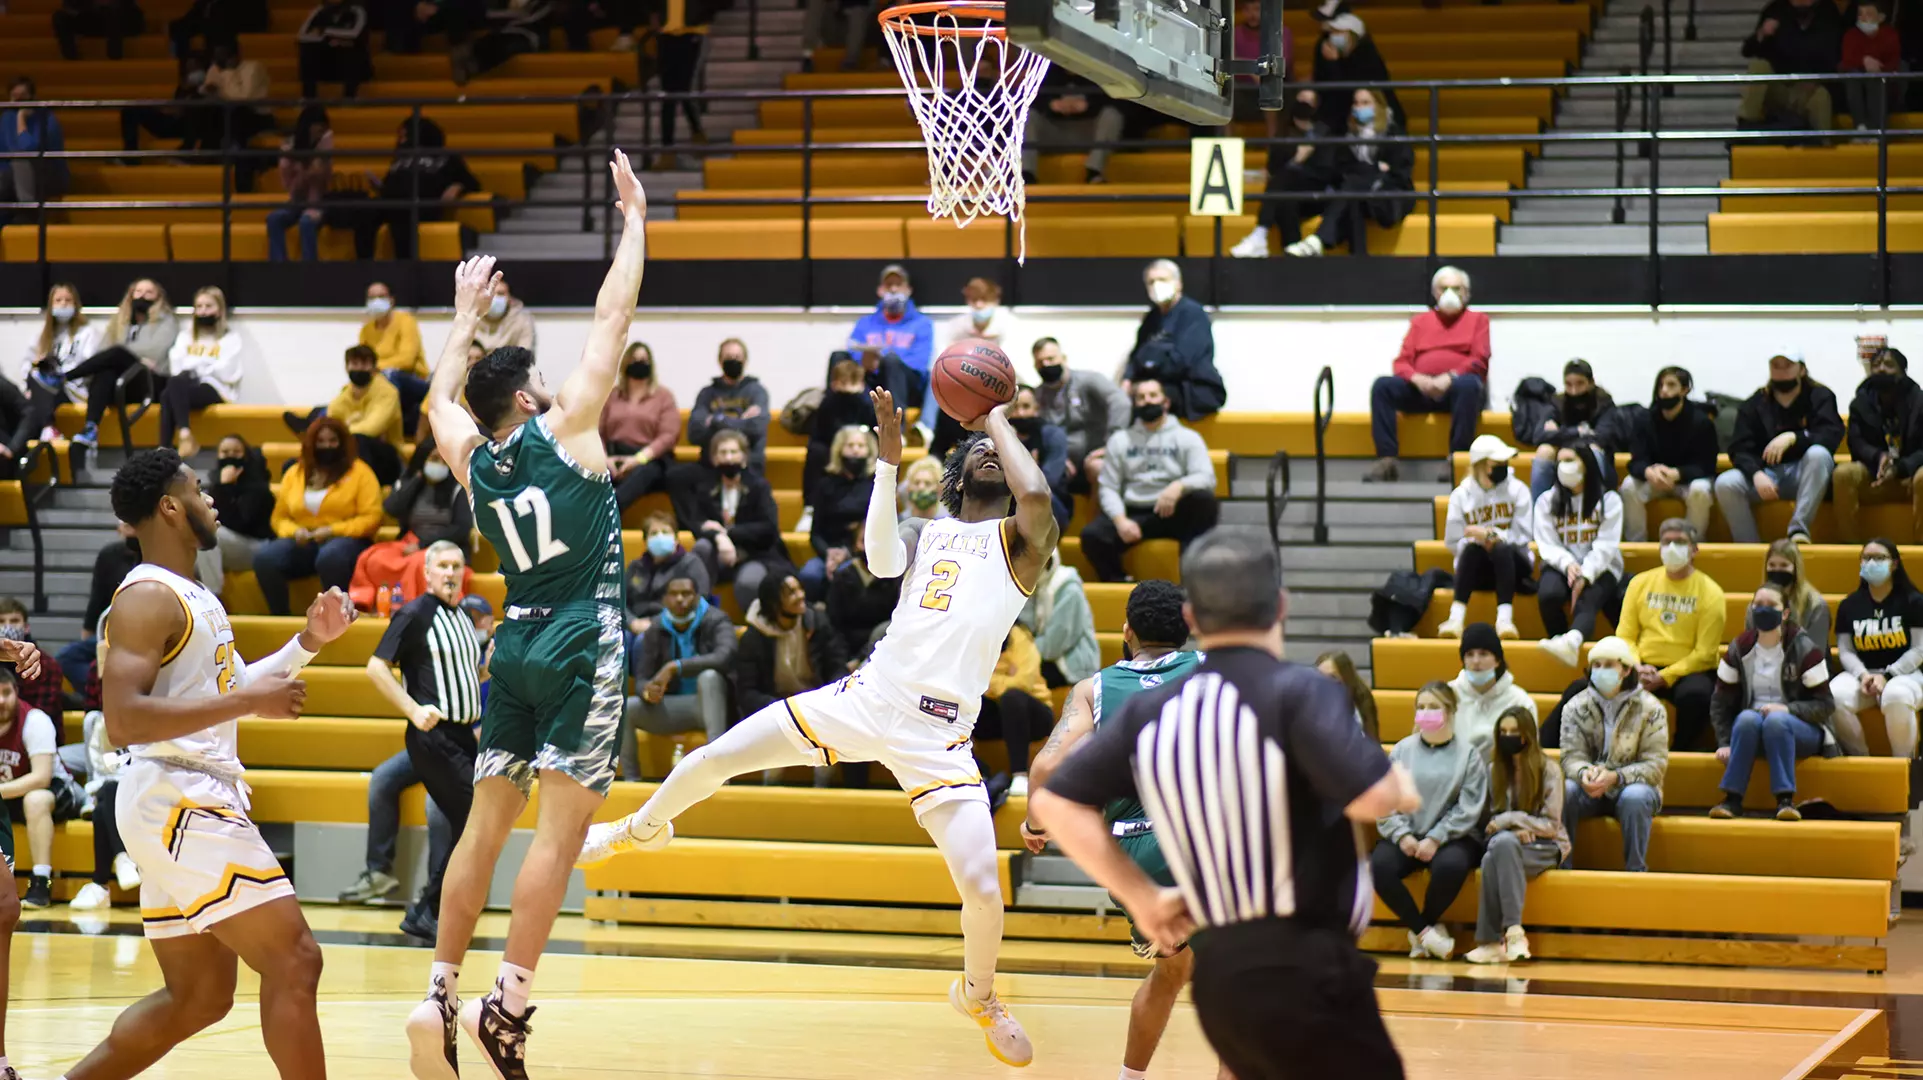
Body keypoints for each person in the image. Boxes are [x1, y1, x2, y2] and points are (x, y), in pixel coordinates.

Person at [581, 386, 1061, 1070]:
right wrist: (889, 467)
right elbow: (881, 557)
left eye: (1000, 453)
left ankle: (977, 996)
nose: (991, 454)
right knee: (719, 756)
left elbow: (1037, 497)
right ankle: (641, 829)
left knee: (984, 890)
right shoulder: (932, 534)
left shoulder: (1021, 545)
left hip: (939, 739)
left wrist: (993, 419)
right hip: (867, 698)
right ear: (955, 478)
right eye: (977, 449)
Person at [404, 157, 647, 1076]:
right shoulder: (569, 429)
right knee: (560, 832)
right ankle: (505, 1006)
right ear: (525, 399)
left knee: (483, 827)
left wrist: (464, 313)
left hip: (513, 641)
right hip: (582, 633)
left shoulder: (475, 461)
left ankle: (437, 989)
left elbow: (436, 400)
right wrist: (634, 223)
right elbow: (612, 318)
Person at [1029, 528, 1417, 1079]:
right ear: (1277, 609)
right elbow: (1373, 795)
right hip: (1274, 917)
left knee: (1183, 980)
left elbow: (1050, 783)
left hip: (1161, 885)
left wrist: (1136, 893)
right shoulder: (1276, 688)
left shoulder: (1123, 697)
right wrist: (1397, 782)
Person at [62, 447, 349, 1080]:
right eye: (198, 487)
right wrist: (250, 700)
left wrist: (308, 644)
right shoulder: (145, 598)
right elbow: (125, 720)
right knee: (297, 960)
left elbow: (226, 687)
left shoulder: (190, 594)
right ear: (169, 506)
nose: (211, 496)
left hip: (174, 797)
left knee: (200, 997)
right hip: (181, 796)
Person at [1019, 579, 1233, 1080]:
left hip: (1130, 853)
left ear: (1128, 631)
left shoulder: (1093, 688)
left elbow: (1046, 770)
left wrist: (1034, 823)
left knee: (1174, 968)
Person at [365, 541, 484, 941]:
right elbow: (376, 667)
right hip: (434, 736)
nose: (450, 573)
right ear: (428, 573)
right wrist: (413, 710)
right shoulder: (414, 614)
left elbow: (467, 677)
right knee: (474, 820)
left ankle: (433, 908)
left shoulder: (464, 618)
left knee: (465, 824)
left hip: (464, 735)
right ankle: (429, 908)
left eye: (457, 566)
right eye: (443, 566)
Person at [1371, 680, 1487, 961]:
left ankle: (1421, 927)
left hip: (1452, 837)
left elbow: (1469, 806)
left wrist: (1436, 837)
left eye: (1433, 707)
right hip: (1407, 834)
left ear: (1450, 711)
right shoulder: (1401, 751)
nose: (1426, 712)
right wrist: (1403, 836)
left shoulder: (1468, 755)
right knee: (1379, 866)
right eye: (1421, 707)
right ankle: (1425, 932)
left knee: (1451, 866)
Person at [1708, 582, 1836, 822]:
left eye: (1771, 605)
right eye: (1758, 605)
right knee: (1746, 718)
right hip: (1753, 729)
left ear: (1785, 613)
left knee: (1777, 721)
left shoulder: (1805, 649)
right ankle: (1732, 800)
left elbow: (1826, 705)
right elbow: (1720, 702)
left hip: (1802, 730)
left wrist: (1788, 709)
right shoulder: (1738, 648)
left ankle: (1785, 800)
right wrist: (1725, 741)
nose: (1764, 610)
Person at [1081, 380, 1219, 583]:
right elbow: (1108, 487)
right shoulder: (1120, 440)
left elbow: (1206, 477)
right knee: (1092, 536)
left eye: (1153, 395)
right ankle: (1119, 582)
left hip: (1171, 510)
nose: (1148, 401)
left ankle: (1192, 581)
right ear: (1135, 404)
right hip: (1134, 513)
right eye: (1141, 397)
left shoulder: (1187, 437)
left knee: (1204, 501)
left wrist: (1178, 486)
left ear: (1166, 402)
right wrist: (1120, 520)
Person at [1366, 266, 1489, 482]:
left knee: (1468, 384)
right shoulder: (1420, 322)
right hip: (1421, 390)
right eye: (1444, 288)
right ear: (1435, 293)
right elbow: (1402, 361)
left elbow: (1480, 359)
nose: (1450, 294)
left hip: (1456, 391)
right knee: (1382, 386)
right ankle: (1387, 460)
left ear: (1466, 294)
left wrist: (1449, 377)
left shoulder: (1478, 320)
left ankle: (1456, 459)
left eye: (1456, 289)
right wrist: (1417, 378)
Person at [1614, 518, 1728, 751]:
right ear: (1659, 547)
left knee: (1697, 696)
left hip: (1688, 670)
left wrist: (1666, 676)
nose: (1673, 547)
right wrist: (1636, 666)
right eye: (1667, 542)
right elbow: (1625, 636)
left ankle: (1679, 752)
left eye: (1680, 542)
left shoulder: (1711, 592)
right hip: (1642, 665)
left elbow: (1705, 653)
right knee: (1586, 686)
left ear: (1694, 549)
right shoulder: (1640, 583)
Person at [1559, 635, 1669, 873]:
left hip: (1632, 786)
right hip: (1591, 787)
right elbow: (1570, 757)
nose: (1601, 671)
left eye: (1609, 665)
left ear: (1626, 669)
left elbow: (1655, 765)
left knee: (1635, 797)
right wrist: (1585, 773)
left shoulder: (1652, 708)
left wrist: (1615, 777)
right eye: (1596, 666)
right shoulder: (1574, 706)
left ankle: (1635, 871)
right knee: (1565, 790)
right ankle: (1561, 867)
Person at [1466, 705, 1566, 965]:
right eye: (1503, 731)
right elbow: (1488, 825)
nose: (1508, 736)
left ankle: (1496, 939)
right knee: (1498, 849)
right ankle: (1511, 935)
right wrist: (1511, 829)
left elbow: (1552, 826)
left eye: (1514, 731)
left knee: (1497, 852)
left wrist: (1511, 820)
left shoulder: (1549, 770)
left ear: (1528, 735)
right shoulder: (1493, 770)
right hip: (1505, 845)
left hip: (1546, 846)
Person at [254, 417, 383, 616]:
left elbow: (372, 517)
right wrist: (294, 531)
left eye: (332, 440)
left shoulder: (361, 472)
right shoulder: (295, 473)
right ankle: (281, 615)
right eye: (321, 441)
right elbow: (279, 518)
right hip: (305, 541)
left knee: (330, 556)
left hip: (348, 541)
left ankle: (338, 616)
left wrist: (333, 530)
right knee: (265, 558)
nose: (326, 446)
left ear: (342, 443)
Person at [1715, 350, 1843, 545]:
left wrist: (1794, 437)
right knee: (1726, 483)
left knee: (1819, 454)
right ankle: (1749, 544)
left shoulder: (1820, 396)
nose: (1781, 372)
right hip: (1767, 476)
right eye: (1776, 366)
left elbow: (1831, 435)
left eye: (1787, 366)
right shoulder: (1755, 403)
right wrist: (1756, 473)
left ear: (1802, 369)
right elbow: (1739, 448)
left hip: (1807, 476)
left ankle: (1798, 530)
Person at [1280, 88, 1412, 259]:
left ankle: (1319, 240)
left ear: (1378, 105)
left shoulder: (1394, 133)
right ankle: (1358, 256)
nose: (1359, 107)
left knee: (1353, 185)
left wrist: (1369, 172)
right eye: (1356, 103)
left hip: (1390, 197)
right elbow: (1342, 169)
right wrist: (1374, 169)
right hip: (1357, 193)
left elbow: (1399, 172)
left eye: (1365, 103)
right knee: (1352, 191)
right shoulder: (1347, 134)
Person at [1830, 539, 1923, 777]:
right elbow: (1846, 650)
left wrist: (1889, 675)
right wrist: (1863, 675)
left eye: (1879, 558)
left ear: (1894, 564)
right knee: (1832, 695)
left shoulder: (1914, 601)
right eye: (1866, 558)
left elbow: (1919, 649)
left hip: (1908, 675)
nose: (1871, 563)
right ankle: (1862, 763)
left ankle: (1904, 769)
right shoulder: (1849, 605)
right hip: (1864, 674)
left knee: (1896, 695)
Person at [1536, 445, 1627, 667]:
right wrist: (1568, 564)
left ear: (1586, 464)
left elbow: (1606, 545)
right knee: (1548, 595)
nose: (1563, 466)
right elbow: (1547, 543)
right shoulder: (1547, 501)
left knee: (1588, 595)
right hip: (1561, 564)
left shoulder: (1609, 500)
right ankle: (1559, 640)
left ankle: (1573, 641)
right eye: (1560, 461)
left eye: (1570, 460)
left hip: (1602, 565)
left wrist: (1585, 574)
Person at [0, 664, 82, 910]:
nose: (1, 700)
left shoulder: (34, 720)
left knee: (35, 799)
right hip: (10, 793)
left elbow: (41, 777)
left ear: (17, 691)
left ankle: (41, 881)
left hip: (56, 791)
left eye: (6, 693)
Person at [1437, 434, 1533, 639]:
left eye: (1504, 462)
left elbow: (1523, 535)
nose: (1503, 466)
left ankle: (1505, 620)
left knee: (1501, 548)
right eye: (1497, 463)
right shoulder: (1461, 495)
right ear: (1481, 466)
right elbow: (1452, 542)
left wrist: (1490, 535)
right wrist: (1479, 541)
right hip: (1476, 569)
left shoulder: (1518, 490)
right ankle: (1455, 619)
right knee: (1472, 549)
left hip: (1515, 567)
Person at [677, 429, 785, 607]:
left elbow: (768, 528)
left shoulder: (759, 487)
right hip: (718, 556)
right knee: (702, 547)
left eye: (733, 452)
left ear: (744, 458)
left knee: (748, 583)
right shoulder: (705, 487)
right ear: (714, 458)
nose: (728, 458)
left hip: (755, 554)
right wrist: (719, 538)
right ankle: (699, 612)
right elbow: (697, 524)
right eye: (723, 452)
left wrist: (728, 532)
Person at [66, 279, 177, 451]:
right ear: (130, 295)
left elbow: (155, 351)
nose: (142, 296)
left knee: (117, 353)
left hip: (151, 382)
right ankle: (90, 428)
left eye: (149, 292)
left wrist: (125, 354)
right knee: (105, 373)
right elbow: (102, 352)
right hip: (124, 383)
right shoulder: (119, 321)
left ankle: (66, 376)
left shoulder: (167, 321)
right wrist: (134, 356)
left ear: (158, 297)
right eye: (138, 291)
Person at [1229, 88, 1338, 258]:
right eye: (1300, 99)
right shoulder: (1284, 132)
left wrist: (1304, 158)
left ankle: (1260, 233)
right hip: (1290, 192)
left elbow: (1327, 172)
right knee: (1285, 199)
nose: (1303, 105)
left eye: (1308, 101)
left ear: (1316, 106)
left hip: (1317, 193)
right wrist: (1296, 159)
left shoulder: (1324, 132)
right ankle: (1291, 252)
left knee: (1284, 179)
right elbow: (1273, 166)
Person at [356, 118, 482, 261]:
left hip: (421, 205)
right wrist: (380, 187)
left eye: (404, 136)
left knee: (403, 214)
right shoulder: (400, 158)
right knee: (364, 210)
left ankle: (406, 268)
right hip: (392, 202)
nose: (401, 140)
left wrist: (458, 186)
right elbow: (390, 185)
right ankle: (363, 265)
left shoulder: (447, 157)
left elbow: (473, 183)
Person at [1835, 346, 1923, 543]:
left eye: (1889, 365)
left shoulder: (1919, 401)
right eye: (1876, 365)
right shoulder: (1860, 403)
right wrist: (1879, 457)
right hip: (1875, 476)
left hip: (1910, 477)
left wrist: (1900, 467)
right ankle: (1851, 547)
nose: (1881, 369)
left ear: (1903, 372)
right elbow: (1856, 443)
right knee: (1843, 474)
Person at [1621, 365, 1719, 542]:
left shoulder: (1701, 422)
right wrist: (1648, 472)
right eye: (1661, 386)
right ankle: (1637, 544)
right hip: (1654, 480)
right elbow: (1635, 461)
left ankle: (1692, 543)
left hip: (1685, 481)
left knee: (1701, 490)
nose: (1664, 391)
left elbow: (1707, 466)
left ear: (1685, 390)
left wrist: (1678, 473)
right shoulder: (1644, 419)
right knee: (1628, 486)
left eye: (1671, 385)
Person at [734, 572, 847, 721]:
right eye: (792, 593)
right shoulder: (753, 638)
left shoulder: (817, 622)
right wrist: (779, 708)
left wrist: (832, 697)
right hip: (778, 711)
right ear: (774, 603)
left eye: (800, 589)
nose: (801, 595)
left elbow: (837, 666)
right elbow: (747, 692)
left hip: (817, 703)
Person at [8, 283, 98, 464]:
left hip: (73, 389)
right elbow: (26, 364)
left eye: (67, 300)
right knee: (36, 379)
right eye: (58, 300)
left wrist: (59, 375)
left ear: (76, 304)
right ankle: (46, 430)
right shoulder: (43, 335)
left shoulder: (87, 333)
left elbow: (90, 366)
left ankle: (46, 430)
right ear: (51, 305)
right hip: (46, 388)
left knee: (37, 391)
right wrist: (37, 365)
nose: (63, 304)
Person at [1126, 261, 1226, 422]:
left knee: (1148, 401)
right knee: (1120, 401)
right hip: (1157, 384)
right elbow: (1137, 355)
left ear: (1178, 284)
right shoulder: (1152, 318)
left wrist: (1150, 366)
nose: (1156, 285)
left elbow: (1182, 360)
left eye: (1162, 280)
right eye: (1151, 282)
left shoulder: (1193, 314)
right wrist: (1127, 380)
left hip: (1191, 388)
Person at [848, 265, 935, 444]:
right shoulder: (865, 323)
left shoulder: (922, 323)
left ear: (908, 290)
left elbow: (919, 362)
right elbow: (852, 350)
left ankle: (898, 431)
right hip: (874, 380)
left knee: (892, 361)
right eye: (889, 285)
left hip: (908, 385)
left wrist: (883, 359)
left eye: (898, 284)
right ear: (880, 290)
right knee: (839, 358)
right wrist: (865, 362)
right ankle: (842, 428)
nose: (894, 289)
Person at [1031, 337, 1130, 491]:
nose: (1046, 365)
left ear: (1063, 359)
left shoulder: (1088, 381)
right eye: (1040, 362)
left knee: (1098, 468)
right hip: (1063, 462)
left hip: (1096, 456)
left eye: (1051, 358)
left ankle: (1104, 515)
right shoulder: (1038, 395)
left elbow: (1121, 402)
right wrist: (1057, 457)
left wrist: (1112, 443)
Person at [303, 344, 404, 485]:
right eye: (355, 364)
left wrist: (344, 430)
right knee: (301, 459)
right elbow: (331, 427)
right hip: (348, 452)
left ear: (374, 368)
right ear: (347, 368)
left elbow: (372, 429)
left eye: (364, 364)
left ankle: (357, 488)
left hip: (387, 459)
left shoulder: (388, 392)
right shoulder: (343, 395)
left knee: (358, 440)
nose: (359, 369)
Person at [1738, 0, 1845, 132]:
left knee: (1822, 97)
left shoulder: (1827, 10)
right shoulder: (1775, 9)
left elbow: (1835, 54)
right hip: (1780, 87)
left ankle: (1822, 145)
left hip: (1811, 88)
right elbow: (1747, 51)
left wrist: (1815, 80)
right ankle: (1747, 126)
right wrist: (1762, 34)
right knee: (1759, 66)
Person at [163, 286, 244, 459]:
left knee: (169, 393)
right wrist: (203, 365)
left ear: (220, 310)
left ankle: (165, 450)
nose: (203, 311)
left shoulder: (230, 339)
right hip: (187, 387)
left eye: (209, 306)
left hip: (216, 388)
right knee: (169, 390)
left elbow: (227, 371)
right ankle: (184, 436)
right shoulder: (186, 337)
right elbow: (176, 366)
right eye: (199, 307)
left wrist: (197, 366)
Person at [800, 424, 877, 599]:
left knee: (846, 575)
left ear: (869, 450)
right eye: (850, 446)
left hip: (862, 553)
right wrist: (829, 554)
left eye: (860, 446)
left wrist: (848, 553)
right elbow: (815, 533)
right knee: (809, 575)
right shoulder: (825, 485)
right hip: (829, 550)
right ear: (839, 450)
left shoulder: (875, 485)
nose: (856, 451)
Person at [600, 341, 678, 512]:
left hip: (648, 459)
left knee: (646, 471)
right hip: (613, 457)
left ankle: (611, 511)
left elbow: (668, 436)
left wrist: (638, 459)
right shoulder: (612, 395)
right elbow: (597, 432)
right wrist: (604, 459)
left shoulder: (663, 396)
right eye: (634, 359)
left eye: (644, 359)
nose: (639, 363)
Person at [1523, 359, 1617, 501]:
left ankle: (1601, 510)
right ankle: (1538, 514)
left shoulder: (1604, 402)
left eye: (1580, 384)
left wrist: (1562, 437)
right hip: (1562, 459)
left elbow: (1601, 438)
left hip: (1596, 463)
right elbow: (1538, 436)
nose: (1574, 390)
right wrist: (1579, 431)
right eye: (1568, 384)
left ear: (1591, 383)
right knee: (1544, 451)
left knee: (1593, 450)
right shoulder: (1558, 402)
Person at [980, 625, 1053, 801]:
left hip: (1034, 713)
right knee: (959, 701)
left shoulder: (1018, 636)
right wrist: (1005, 677)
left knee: (1011, 698)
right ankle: (978, 771)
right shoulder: (975, 636)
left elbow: (1023, 682)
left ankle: (1020, 775)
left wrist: (990, 681)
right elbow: (969, 679)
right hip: (996, 715)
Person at [189, 46, 276, 189]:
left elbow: (244, 98)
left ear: (234, 57)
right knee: (204, 106)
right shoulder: (216, 68)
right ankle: (201, 150)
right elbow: (206, 90)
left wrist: (228, 73)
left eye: (222, 57)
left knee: (236, 109)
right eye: (217, 58)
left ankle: (235, 151)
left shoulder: (253, 68)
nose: (219, 62)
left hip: (257, 116)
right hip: (227, 116)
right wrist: (211, 90)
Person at [1022, 67, 1127, 185]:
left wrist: (1088, 106)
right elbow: (1027, 99)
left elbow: (1118, 102)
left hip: (1089, 133)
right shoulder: (1045, 71)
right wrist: (1051, 105)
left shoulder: (1098, 73)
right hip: (1054, 132)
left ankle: (1094, 173)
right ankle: (1027, 175)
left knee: (1111, 115)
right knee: (1028, 115)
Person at [624, 511, 711, 638]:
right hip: (634, 624)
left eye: (665, 532)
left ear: (676, 539)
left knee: (645, 641)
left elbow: (697, 602)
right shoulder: (635, 567)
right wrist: (632, 622)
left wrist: (654, 623)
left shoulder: (691, 563)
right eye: (653, 533)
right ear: (645, 541)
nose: (660, 537)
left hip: (672, 626)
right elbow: (620, 601)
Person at [825, 519, 901, 664]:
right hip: (845, 652)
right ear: (854, 545)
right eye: (864, 540)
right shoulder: (842, 577)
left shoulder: (894, 577)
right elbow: (833, 626)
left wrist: (861, 658)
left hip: (882, 650)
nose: (870, 547)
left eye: (876, 541)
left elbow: (894, 626)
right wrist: (843, 663)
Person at [805, 358, 878, 510]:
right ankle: (810, 507)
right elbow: (820, 433)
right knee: (815, 453)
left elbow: (874, 431)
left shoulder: (867, 402)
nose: (848, 391)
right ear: (834, 384)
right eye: (843, 384)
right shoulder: (828, 403)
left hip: (863, 446)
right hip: (834, 447)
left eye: (853, 384)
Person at [685, 337, 769, 469]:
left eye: (737, 357)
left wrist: (716, 420)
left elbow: (756, 428)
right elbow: (694, 433)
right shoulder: (707, 393)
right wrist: (741, 422)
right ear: (720, 361)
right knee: (676, 476)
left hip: (748, 464)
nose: (733, 361)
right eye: (729, 357)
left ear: (745, 361)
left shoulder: (757, 392)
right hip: (711, 464)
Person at [1449, 622, 1535, 747]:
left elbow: (1530, 752)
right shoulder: (1448, 695)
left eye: (1483, 654)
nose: (1476, 661)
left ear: (1497, 660)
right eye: (1469, 655)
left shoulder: (1520, 701)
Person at [266, 106, 333, 264]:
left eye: (324, 126)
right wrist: (305, 173)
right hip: (297, 199)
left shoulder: (325, 142)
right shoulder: (289, 149)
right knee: (274, 219)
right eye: (318, 126)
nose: (321, 130)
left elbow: (324, 180)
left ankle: (309, 268)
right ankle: (279, 266)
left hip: (320, 201)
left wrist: (317, 168)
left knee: (306, 221)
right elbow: (290, 188)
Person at [1021, 550, 1098, 688]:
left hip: (1071, 663)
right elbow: (1025, 627)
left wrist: (1022, 654)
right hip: (1044, 656)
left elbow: (1055, 644)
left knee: (1017, 681)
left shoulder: (1068, 587)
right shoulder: (1034, 584)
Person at [361, 282, 428, 437]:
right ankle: (316, 417)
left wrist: (376, 368)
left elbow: (407, 360)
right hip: (380, 380)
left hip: (413, 381)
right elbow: (363, 364)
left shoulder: (405, 321)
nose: (376, 301)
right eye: (372, 297)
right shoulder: (366, 330)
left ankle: (383, 429)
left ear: (391, 300)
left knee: (390, 375)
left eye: (381, 296)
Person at [0, 78, 70, 228]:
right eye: (14, 96)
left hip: (47, 175)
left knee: (20, 160)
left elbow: (28, 149)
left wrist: (21, 119)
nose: (18, 101)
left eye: (23, 96)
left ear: (32, 96)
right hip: (13, 178)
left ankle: (29, 212)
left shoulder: (46, 118)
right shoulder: (6, 118)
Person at [384, 441, 475, 555]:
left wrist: (423, 544)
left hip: (445, 548)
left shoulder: (459, 488)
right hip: (409, 543)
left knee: (418, 562)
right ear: (422, 460)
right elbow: (391, 509)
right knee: (372, 559)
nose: (440, 465)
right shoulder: (410, 481)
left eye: (445, 461)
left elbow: (461, 529)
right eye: (434, 459)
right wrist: (417, 479)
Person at [941, 278, 1034, 384]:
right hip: (964, 380)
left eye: (984, 299)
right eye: (974, 299)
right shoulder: (956, 325)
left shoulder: (1010, 324)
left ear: (996, 300)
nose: (979, 305)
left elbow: (1013, 364)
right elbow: (945, 361)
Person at [1758, 537, 1831, 648]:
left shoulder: (1816, 605)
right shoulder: (1758, 603)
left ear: (1796, 568)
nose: (1777, 570)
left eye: (1784, 565)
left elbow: (1816, 652)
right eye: (1772, 565)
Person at [1841, 0, 1901, 135]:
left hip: (1886, 84)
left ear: (1881, 17)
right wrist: (1864, 61)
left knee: (1876, 79)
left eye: (1868, 14)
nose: (1863, 18)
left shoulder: (1890, 35)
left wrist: (1877, 67)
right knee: (1853, 77)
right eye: (1860, 14)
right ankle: (1860, 128)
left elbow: (1894, 64)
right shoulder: (1850, 36)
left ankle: (1877, 131)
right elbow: (1846, 61)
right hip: (1858, 83)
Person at [297, 0, 373, 98]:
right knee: (307, 49)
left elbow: (355, 33)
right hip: (328, 60)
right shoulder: (319, 10)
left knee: (350, 49)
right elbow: (302, 35)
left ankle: (349, 97)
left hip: (351, 62)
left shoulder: (357, 10)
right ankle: (308, 98)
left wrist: (326, 32)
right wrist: (327, 41)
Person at [1317, 649, 1379, 742]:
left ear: (1346, 678)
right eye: (1320, 677)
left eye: (1332, 677)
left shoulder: (1362, 703)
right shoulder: (1309, 707)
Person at [168, 0, 268, 56]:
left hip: (241, 24)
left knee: (218, 23)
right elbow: (195, 15)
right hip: (214, 26)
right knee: (178, 29)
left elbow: (256, 16)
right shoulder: (207, 4)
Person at [53, 0, 145, 60]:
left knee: (113, 13)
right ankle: (71, 57)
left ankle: (115, 58)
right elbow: (69, 6)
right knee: (60, 17)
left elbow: (132, 10)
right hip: (92, 19)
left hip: (119, 20)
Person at [899, 454, 946, 525]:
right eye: (916, 483)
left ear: (939, 489)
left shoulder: (948, 524)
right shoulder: (898, 523)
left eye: (928, 483)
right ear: (908, 488)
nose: (921, 488)